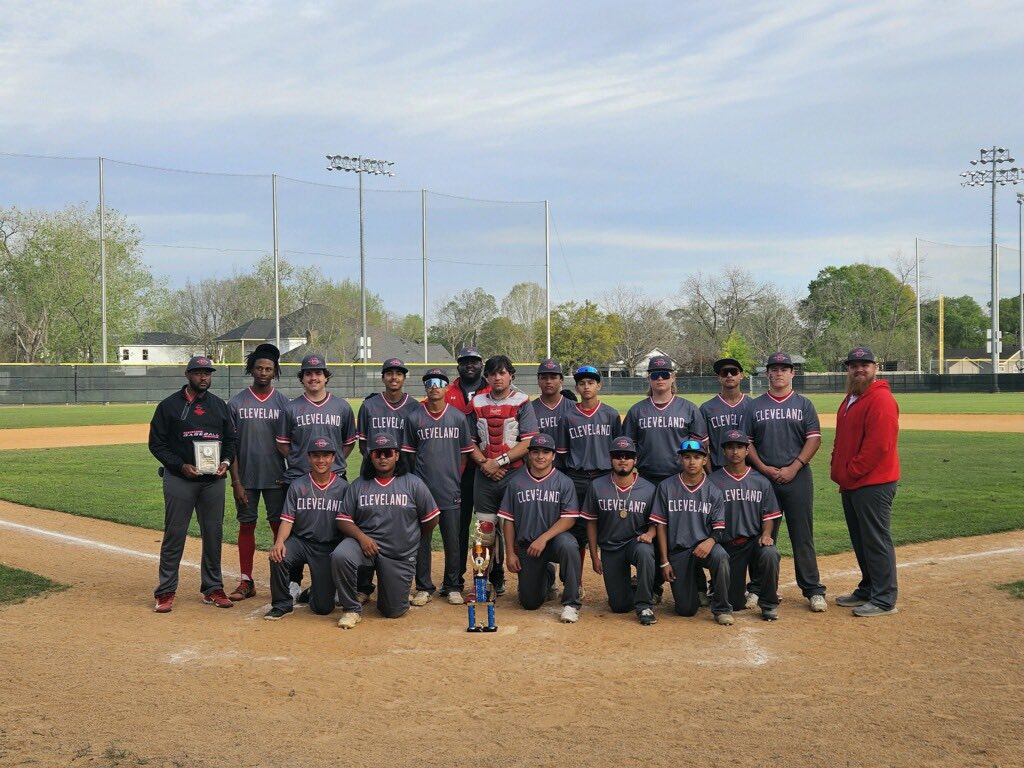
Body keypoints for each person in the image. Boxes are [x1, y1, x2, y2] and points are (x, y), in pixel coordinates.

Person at [149, 355, 237, 613]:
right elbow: (157, 444)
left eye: (207, 373)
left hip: (213, 481)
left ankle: (213, 588)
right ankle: (165, 591)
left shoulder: (219, 406)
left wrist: (226, 463)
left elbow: (231, 440)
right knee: (175, 534)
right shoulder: (169, 406)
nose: (203, 377)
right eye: (198, 372)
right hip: (180, 479)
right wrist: (179, 466)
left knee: (213, 534)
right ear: (188, 375)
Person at [331, 434, 440, 629]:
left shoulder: (413, 484)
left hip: (398, 553)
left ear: (397, 455)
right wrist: (362, 538)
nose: (383, 457)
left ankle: (391, 591)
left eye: (388, 452)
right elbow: (343, 519)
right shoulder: (359, 485)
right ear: (370, 457)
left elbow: (431, 519)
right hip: (364, 546)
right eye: (377, 453)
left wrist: (410, 537)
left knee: (393, 611)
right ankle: (351, 609)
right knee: (340, 555)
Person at [622, 355, 708, 602]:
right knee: (647, 532)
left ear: (673, 377)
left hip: (681, 480)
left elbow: (700, 450)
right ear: (648, 378)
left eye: (665, 374)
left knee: (687, 532)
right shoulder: (638, 410)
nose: (660, 378)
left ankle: (697, 583)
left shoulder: (689, 408)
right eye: (654, 374)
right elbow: (628, 447)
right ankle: (653, 585)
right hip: (647, 480)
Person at [747, 352, 827, 613]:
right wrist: (764, 469)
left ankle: (813, 589)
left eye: (784, 368)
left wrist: (794, 467)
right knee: (765, 535)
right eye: (774, 369)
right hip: (763, 479)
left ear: (793, 373)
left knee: (802, 535)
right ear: (767, 373)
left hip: (798, 478)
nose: (779, 373)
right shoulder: (754, 406)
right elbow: (747, 444)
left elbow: (813, 439)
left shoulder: (804, 404)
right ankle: (758, 589)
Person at [275, 353, 357, 600]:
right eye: (309, 373)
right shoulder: (291, 408)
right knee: (298, 532)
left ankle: (334, 582)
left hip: (335, 478)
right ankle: (293, 582)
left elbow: (348, 442)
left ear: (326, 377)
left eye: (318, 373)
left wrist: (329, 464)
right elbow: (283, 444)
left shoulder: (341, 406)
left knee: (337, 529)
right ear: (302, 378)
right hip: (299, 479)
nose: (314, 377)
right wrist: (303, 462)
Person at [830, 346, 900, 617]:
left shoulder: (880, 399)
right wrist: (838, 466)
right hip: (853, 483)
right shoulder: (851, 398)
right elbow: (842, 439)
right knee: (861, 540)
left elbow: (878, 447)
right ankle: (869, 588)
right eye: (854, 364)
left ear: (875, 367)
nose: (859, 368)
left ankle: (884, 599)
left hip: (874, 483)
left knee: (875, 540)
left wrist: (849, 472)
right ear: (848, 368)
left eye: (865, 364)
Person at [467, 355, 540, 597]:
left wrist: (497, 462)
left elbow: (528, 441)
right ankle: (481, 583)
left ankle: (529, 582)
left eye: (502, 373)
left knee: (519, 529)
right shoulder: (477, 402)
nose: (498, 377)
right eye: (493, 373)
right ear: (486, 377)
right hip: (484, 476)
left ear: (511, 375)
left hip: (514, 474)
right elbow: (470, 442)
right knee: (484, 531)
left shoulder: (522, 401)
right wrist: (484, 464)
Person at [402, 367, 474, 606]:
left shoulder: (457, 417)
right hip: (423, 489)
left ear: (446, 387)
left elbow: (464, 455)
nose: (434, 386)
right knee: (422, 539)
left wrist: (453, 477)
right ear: (425, 387)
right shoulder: (414, 417)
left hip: (450, 487)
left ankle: (453, 585)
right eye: (429, 382)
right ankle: (423, 586)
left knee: (452, 538)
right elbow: (410, 456)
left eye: (439, 382)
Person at [226, 343, 290, 602]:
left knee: (279, 528)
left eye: (268, 369)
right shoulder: (236, 402)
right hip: (246, 479)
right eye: (259, 368)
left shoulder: (284, 403)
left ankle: (281, 579)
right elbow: (231, 447)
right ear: (251, 369)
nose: (263, 372)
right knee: (246, 525)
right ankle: (246, 580)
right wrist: (236, 482)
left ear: (274, 372)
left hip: (277, 476)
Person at [498, 433, 582, 623]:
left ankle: (571, 604)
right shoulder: (516, 483)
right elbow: (508, 520)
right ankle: (547, 574)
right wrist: (510, 553)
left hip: (554, 542)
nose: (540, 456)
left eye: (546, 452)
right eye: (535, 451)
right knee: (529, 603)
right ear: (528, 455)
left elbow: (569, 519)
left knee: (570, 546)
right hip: (529, 546)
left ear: (553, 456)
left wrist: (544, 538)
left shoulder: (563, 482)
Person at [650, 439, 733, 625]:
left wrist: (710, 541)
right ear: (680, 459)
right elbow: (660, 525)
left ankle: (721, 608)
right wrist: (664, 561)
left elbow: (719, 528)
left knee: (721, 556)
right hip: (679, 551)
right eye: (687, 457)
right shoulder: (666, 487)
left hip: (704, 548)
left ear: (705, 460)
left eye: (697, 457)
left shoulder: (713, 490)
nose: (692, 462)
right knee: (686, 610)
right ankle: (697, 588)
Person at [356, 357, 419, 602]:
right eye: (389, 373)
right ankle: (364, 585)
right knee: (367, 524)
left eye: (399, 373)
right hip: (373, 474)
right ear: (383, 377)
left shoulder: (414, 407)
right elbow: (363, 444)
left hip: (404, 475)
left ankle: (404, 581)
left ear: (404, 378)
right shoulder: (370, 406)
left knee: (402, 528)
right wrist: (379, 467)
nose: (394, 377)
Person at [264, 437, 347, 620]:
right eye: (316, 456)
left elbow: (347, 525)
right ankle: (281, 604)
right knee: (278, 555)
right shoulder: (298, 485)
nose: (321, 460)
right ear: (309, 458)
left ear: (333, 458)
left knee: (323, 608)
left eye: (326, 455)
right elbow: (287, 519)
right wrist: (279, 542)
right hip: (301, 542)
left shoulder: (343, 488)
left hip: (328, 547)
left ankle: (313, 592)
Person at [581, 436, 659, 625]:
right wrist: (594, 555)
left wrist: (650, 534)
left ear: (635, 460)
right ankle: (632, 587)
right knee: (619, 606)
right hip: (610, 547)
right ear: (610, 459)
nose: (623, 459)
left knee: (645, 552)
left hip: (635, 542)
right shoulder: (597, 486)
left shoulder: (648, 488)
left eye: (628, 456)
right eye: (618, 455)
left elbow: (656, 522)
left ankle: (644, 605)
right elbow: (591, 523)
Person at [557, 364, 623, 580]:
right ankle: (574, 581)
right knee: (576, 532)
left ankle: (615, 579)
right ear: (576, 388)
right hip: (576, 477)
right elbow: (563, 453)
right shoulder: (568, 417)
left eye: (591, 382)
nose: (586, 387)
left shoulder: (611, 415)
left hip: (604, 477)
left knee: (610, 527)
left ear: (599, 386)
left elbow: (618, 452)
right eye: (582, 383)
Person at [710, 430, 782, 621]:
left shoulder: (760, 481)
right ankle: (724, 591)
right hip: (728, 545)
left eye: (740, 447)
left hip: (754, 541)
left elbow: (769, 515)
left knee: (770, 553)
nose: (735, 451)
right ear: (724, 451)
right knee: (736, 604)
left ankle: (768, 605)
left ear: (747, 450)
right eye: (730, 447)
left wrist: (767, 534)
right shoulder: (713, 481)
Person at [444, 346, 491, 596]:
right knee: (459, 527)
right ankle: (455, 581)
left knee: (488, 527)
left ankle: (494, 577)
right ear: (458, 365)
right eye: (465, 361)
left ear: (481, 364)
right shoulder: (448, 391)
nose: (469, 365)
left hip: (488, 469)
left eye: (474, 361)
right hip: (457, 470)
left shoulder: (492, 388)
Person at [700, 357, 755, 472]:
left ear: (741, 375)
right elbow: (703, 447)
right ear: (719, 378)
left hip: (749, 471)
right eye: (724, 373)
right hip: (718, 469)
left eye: (733, 372)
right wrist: (711, 475)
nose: (729, 375)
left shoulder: (753, 405)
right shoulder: (706, 408)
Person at [532, 358, 574, 469]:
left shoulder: (574, 407)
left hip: (570, 470)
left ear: (561, 380)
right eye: (544, 377)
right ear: (538, 380)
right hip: (539, 469)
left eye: (553, 377)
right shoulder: (529, 409)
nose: (548, 381)